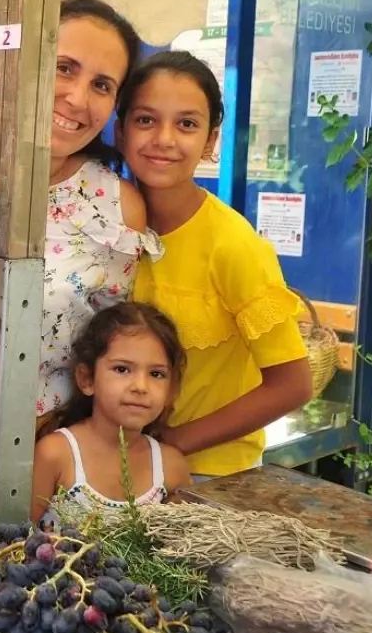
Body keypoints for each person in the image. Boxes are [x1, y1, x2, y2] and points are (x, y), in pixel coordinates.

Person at [118, 50, 313, 479]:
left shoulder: (233, 245)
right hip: (116, 465)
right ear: (120, 130)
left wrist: (172, 443)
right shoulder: (103, 223)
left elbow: (293, 384)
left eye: (186, 124)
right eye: (146, 120)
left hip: (212, 479)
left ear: (209, 141)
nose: (164, 139)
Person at [0, 0, 160, 427]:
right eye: (64, 68)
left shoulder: (117, 206)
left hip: (45, 453)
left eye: (102, 85)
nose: (77, 97)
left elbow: (112, 349)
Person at [31, 302, 192, 526]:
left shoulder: (171, 467)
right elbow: (17, 540)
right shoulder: (56, 454)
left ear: (171, 390)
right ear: (87, 379)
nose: (140, 386)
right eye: (122, 369)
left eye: (156, 374)